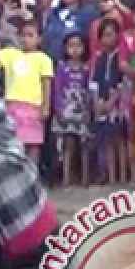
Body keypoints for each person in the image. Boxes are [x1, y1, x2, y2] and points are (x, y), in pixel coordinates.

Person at [0, 20, 54, 169]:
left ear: (39, 38)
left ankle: (33, 174)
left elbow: (46, 83)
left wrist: (46, 106)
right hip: (12, 106)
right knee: (15, 144)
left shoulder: (43, 59)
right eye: (22, 35)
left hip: (33, 106)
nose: (25, 39)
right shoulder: (10, 54)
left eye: (30, 35)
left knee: (33, 144)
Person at [52, 33, 91, 187]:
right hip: (66, 108)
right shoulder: (62, 68)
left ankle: (85, 177)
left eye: (78, 45)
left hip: (82, 107)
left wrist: (90, 108)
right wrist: (58, 108)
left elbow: (90, 88)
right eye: (71, 46)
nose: (74, 49)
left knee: (85, 143)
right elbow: (57, 88)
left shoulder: (87, 67)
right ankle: (66, 178)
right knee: (67, 143)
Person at [90, 19, 126, 186]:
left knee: (119, 139)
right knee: (105, 140)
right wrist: (97, 100)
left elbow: (123, 80)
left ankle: (123, 176)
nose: (107, 39)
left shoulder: (121, 55)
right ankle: (109, 176)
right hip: (102, 100)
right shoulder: (99, 57)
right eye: (104, 35)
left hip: (118, 101)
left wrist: (113, 100)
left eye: (111, 34)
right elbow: (95, 80)